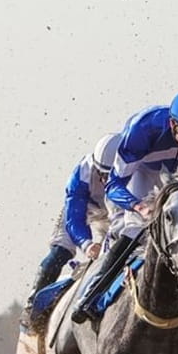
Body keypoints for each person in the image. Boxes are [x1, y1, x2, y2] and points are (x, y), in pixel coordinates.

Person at [70, 87, 178, 339]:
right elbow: (114, 185)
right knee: (134, 229)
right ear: (172, 124)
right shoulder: (144, 128)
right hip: (145, 174)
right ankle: (91, 296)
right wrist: (137, 205)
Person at [22, 132, 118, 329]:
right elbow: (75, 219)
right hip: (84, 211)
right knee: (60, 252)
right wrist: (87, 244)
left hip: (115, 213)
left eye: (111, 176)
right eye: (102, 175)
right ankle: (32, 308)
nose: (105, 181)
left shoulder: (137, 167)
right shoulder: (82, 174)